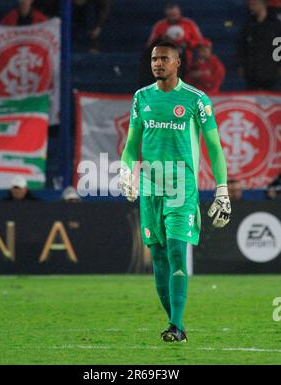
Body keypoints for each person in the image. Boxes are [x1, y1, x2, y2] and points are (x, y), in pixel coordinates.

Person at [119, 41, 231, 343]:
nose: (158, 64)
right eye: (155, 59)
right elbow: (131, 147)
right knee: (157, 258)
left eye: (165, 59)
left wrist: (222, 189)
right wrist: (126, 171)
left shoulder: (196, 100)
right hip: (150, 189)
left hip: (182, 189)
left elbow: (214, 148)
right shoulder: (141, 98)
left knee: (176, 252)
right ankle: (175, 324)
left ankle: (176, 326)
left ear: (178, 63)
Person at [237, 0, 281, 90]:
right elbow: (242, 47)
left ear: (263, 5)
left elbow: (279, 46)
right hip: (252, 73)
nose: (251, 7)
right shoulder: (248, 25)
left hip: (271, 73)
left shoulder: (275, 25)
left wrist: (279, 65)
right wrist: (241, 65)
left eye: (253, 5)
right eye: (249, 5)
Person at [147, 2, 202, 71]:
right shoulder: (160, 26)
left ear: (179, 12)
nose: (172, 17)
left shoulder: (189, 24)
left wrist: (187, 43)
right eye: (170, 15)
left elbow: (199, 41)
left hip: (186, 58)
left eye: (174, 14)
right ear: (166, 14)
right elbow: (150, 44)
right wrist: (163, 41)